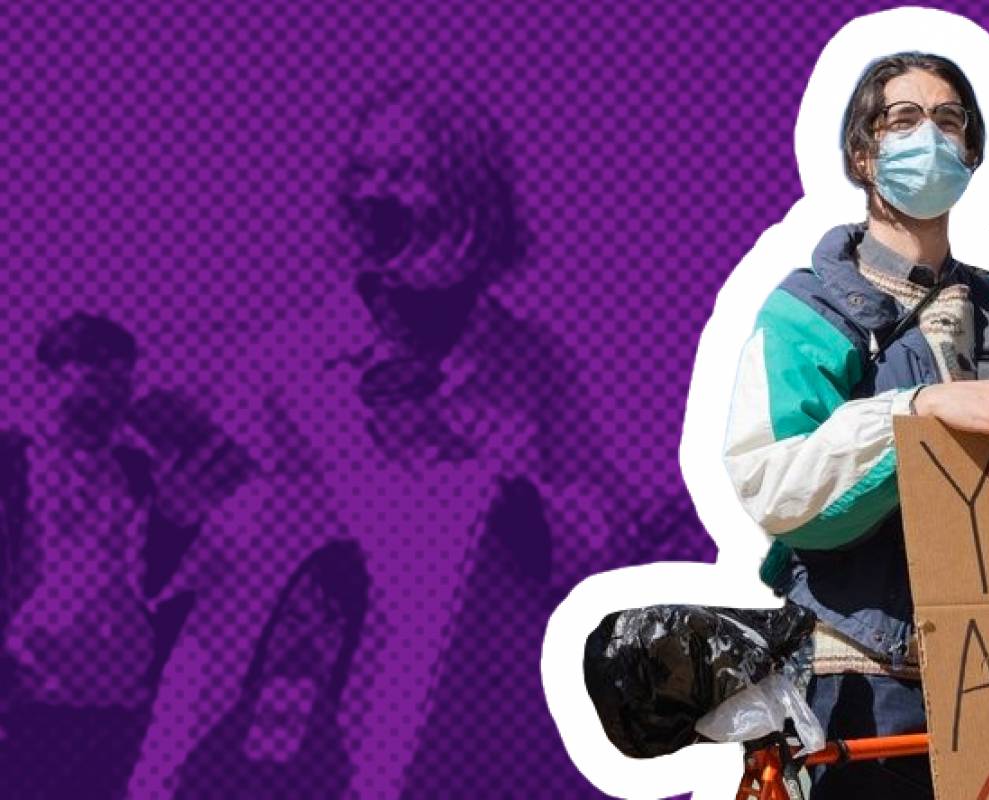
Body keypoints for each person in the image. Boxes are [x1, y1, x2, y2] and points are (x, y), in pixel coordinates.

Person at [130, 79, 623, 799]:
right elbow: (212, 581)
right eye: (362, 171)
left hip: (483, 736)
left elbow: (602, 536)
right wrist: (179, 514)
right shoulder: (281, 365)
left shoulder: (534, 365)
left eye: (402, 173)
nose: (371, 195)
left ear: (471, 199)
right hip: (312, 751)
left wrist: (496, 501)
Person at [722, 52, 989, 799]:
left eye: (948, 120)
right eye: (903, 120)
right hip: (865, 692)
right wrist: (915, 415)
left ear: (972, 151)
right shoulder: (805, 314)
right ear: (863, 156)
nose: (929, 136)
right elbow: (777, 487)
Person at [0, 313, 247, 799]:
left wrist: (179, 517)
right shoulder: (11, 461)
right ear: (47, 376)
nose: (111, 397)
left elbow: (160, 581)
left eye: (123, 381)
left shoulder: (140, 472)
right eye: (96, 378)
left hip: (119, 714)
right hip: (27, 708)